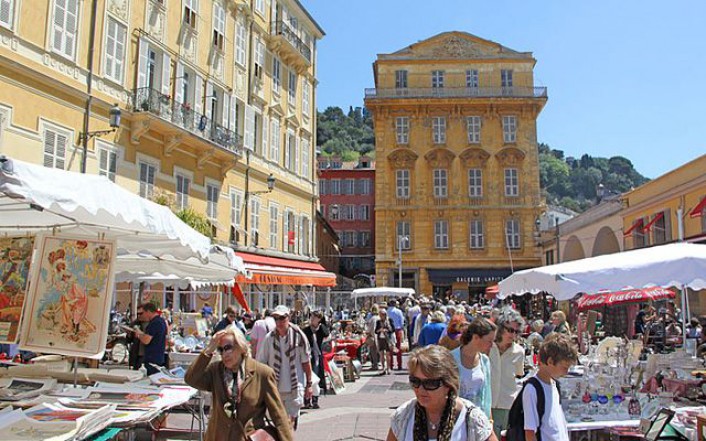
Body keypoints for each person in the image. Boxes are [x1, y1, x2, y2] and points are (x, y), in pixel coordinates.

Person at [185, 325, 294, 441]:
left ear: (241, 347)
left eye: (228, 348)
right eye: (220, 350)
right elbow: (191, 379)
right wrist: (209, 350)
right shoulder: (215, 370)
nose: (224, 354)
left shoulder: (262, 373)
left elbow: (279, 416)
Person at [386, 345, 497, 441]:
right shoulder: (403, 416)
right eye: (415, 381)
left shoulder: (472, 420)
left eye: (430, 384)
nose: (420, 389)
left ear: (448, 384)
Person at [256, 305, 313, 429]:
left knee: (289, 426)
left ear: (289, 317)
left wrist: (309, 384)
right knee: (278, 426)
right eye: (275, 318)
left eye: (282, 318)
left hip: (295, 388)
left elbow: (306, 362)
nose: (278, 322)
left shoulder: (299, 336)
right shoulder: (269, 339)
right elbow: (261, 365)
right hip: (275, 389)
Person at [522, 334, 577, 441]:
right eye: (564, 367)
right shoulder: (532, 389)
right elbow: (530, 432)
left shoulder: (555, 385)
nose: (566, 372)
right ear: (550, 361)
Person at [489, 307, 525, 437]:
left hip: (507, 404)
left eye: (516, 331)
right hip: (487, 403)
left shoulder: (519, 352)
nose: (513, 335)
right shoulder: (487, 347)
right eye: (510, 330)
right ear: (500, 327)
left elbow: (519, 374)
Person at [451, 318, 496, 419]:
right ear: (476, 337)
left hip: (479, 420)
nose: (492, 345)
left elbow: (487, 393)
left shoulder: (484, 361)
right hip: (456, 420)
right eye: (489, 341)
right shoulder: (451, 359)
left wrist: (490, 420)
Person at [302, 310, 330, 409]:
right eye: (311, 317)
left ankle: (315, 400)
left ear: (319, 319)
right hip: (308, 357)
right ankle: (306, 401)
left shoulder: (321, 329)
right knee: (308, 379)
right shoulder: (306, 330)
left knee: (316, 378)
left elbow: (327, 333)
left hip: (317, 357)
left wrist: (322, 324)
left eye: (315, 317)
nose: (312, 319)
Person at [133, 302, 168, 375]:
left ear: (148, 312)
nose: (143, 315)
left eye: (144, 313)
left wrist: (139, 334)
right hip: (159, 356)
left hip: (152, 358)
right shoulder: (162, 321)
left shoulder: (154, 323)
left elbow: (146, 340)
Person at [376, 308, 396, 375]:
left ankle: (388, 368)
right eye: (380, 315)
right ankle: (383, 368)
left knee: (388, 354)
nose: (381, 316)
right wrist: (379, 330)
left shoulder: (389, 320)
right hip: (381, 338)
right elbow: (376, 331)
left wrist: (386, 330)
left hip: (387, 339)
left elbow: (393, 329)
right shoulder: (378, 322)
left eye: (382, 315)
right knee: (381, 354)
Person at [387, 300, 406, 370]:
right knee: (398, 347)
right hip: (397, 330)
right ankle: (399, 365)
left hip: (389, 331)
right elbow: (401, 322)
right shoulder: (398, 311)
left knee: (390, 348)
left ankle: (391, 365)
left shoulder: (387, 311)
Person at [365, 303, 381, 370]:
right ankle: (379, 362)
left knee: (373, 352)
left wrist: (367, 333)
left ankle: (375, 365)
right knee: (380, 351)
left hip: (373, 336)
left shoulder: (372, 319)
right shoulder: (379, 317)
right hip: (380, 336)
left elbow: (369, 329)